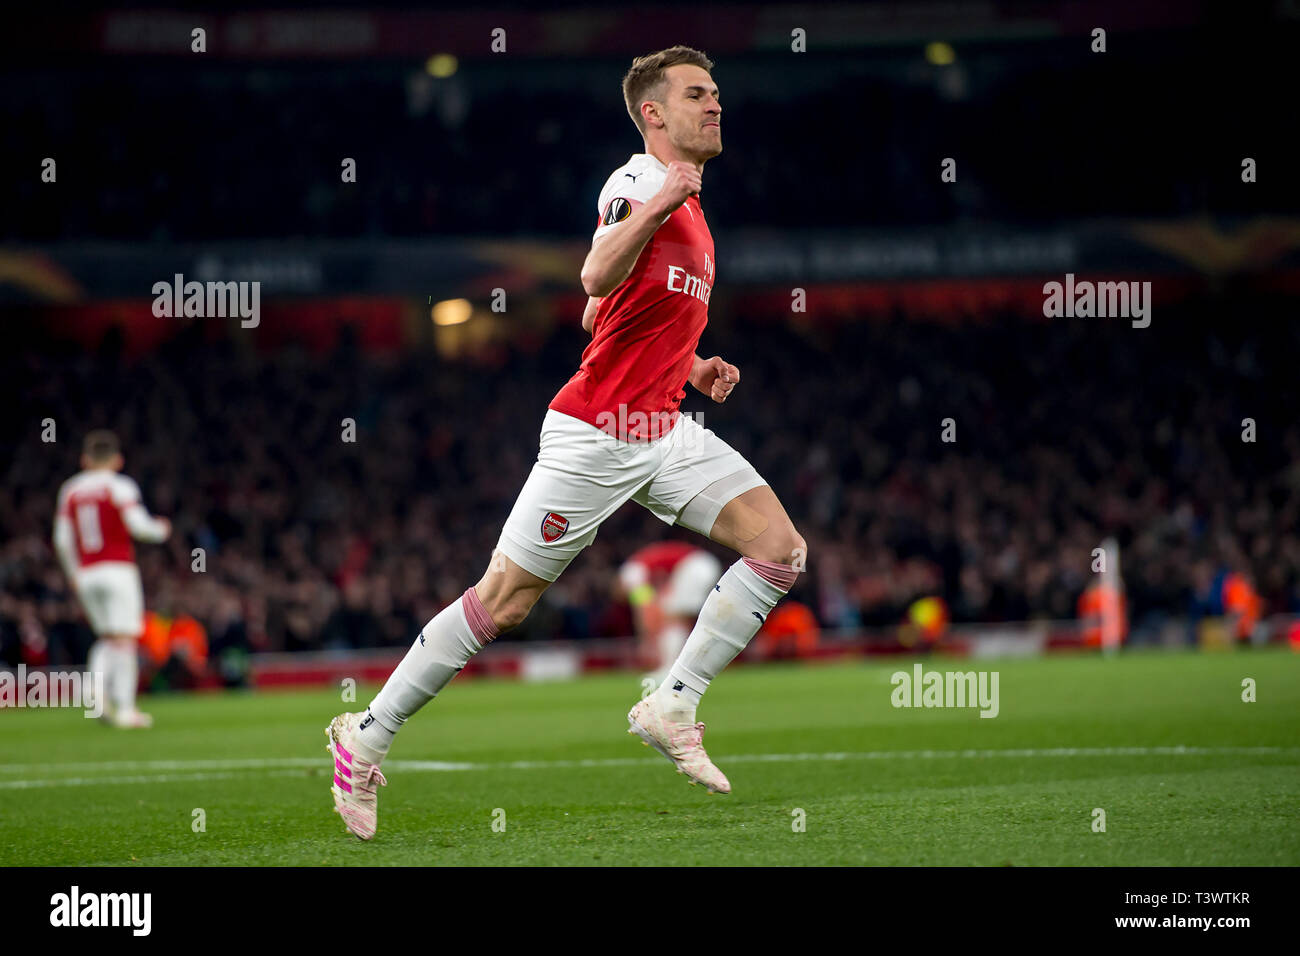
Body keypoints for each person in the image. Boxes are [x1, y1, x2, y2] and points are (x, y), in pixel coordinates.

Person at [326, 45, 807, 840]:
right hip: (595, 435)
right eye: (697, 95)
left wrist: (693, 364)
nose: (715, 105)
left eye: (717, 93)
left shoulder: (691, 209)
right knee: (503, 602)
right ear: (654, 114)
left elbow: (605, 318)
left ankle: (673, 703)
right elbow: (592, 276)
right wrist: (657, 206)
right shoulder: (640, 183)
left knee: (779, 549)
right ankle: (364, 737)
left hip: (661, 427)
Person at [52, 430, 172, 727]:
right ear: (118, 460)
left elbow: (62, 539)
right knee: (125, 638)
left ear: (84, 459)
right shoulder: (120, 486)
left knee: (108, 637)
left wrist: (73, 574)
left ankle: (96, 693)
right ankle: (125, 708)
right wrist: (160, 530)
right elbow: (137, 526)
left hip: (87, 572)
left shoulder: (71, 490)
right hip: (118, 569)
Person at [617, 540, 723, 680]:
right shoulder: (639, 565)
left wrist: (646, 638)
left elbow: (645, 609)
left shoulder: (630, 574)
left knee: (673, 620)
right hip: (703, 565)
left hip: (696, 567)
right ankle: (676, 667)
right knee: (676, 618)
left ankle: (670, 668)